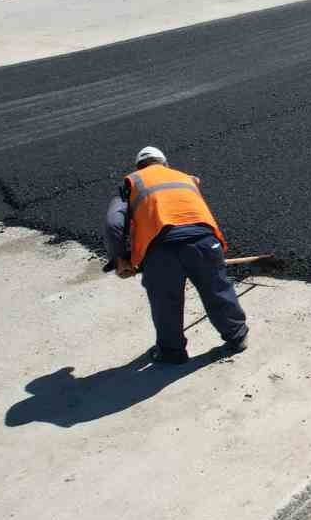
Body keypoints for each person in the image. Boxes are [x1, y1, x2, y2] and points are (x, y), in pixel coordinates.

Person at [104, 146, 248, 364]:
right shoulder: (184, 178)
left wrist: (120, 258)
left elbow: (114, 223)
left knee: (165, 301)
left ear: (138, 167)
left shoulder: (131, 182)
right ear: (165, 163)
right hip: (204, 241)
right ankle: (237, 337)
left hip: (161, 249)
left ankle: (172, 352)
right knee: (217, 289)